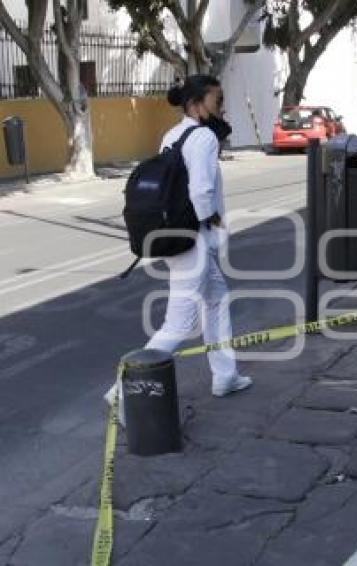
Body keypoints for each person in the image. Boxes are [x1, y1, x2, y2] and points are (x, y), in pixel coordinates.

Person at [106, 75, 252, 423]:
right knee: (179, 324)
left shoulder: (172, 135)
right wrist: (214, 222)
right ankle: (122, 389)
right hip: (193, 239)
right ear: (197, 104)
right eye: (217, 100)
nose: (222, 107)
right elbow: (201, 191)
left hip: (179, 235)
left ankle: (225, 374)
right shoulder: (202, 137)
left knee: (217, 299)